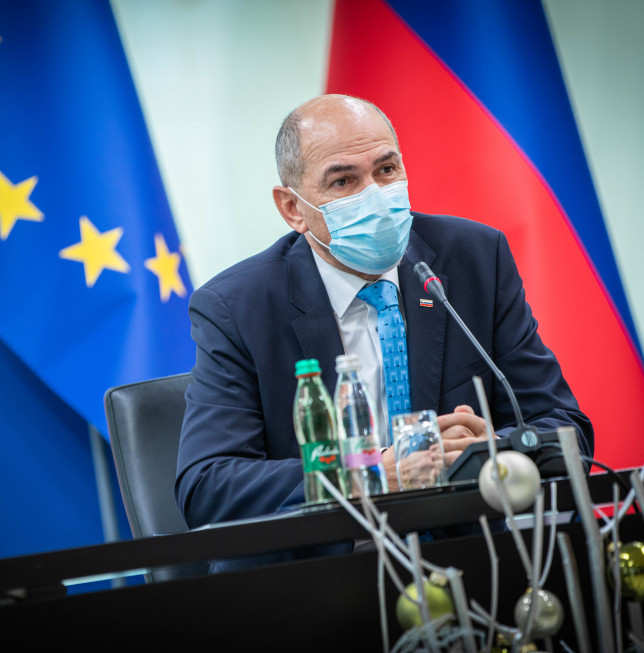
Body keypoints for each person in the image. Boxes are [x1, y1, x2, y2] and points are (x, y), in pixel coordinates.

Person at [175, 94, 592, 535]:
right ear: (293, 208)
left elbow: (568, 432)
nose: (374, 194)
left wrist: (487, 453)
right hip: (330, 571)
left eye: (386, 170)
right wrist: (368, 478)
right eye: (343, 182)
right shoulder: (237, 306)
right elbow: (208, 487)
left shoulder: (474, 259)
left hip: (471, 557)